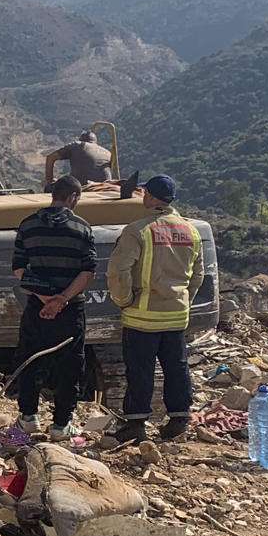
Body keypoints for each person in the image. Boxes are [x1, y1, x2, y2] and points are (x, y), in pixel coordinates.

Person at [105, 174, 203, 445]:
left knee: (140, 369)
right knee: (177, 367)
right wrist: (184, 300)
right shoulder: (190, 231)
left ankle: (136, 423)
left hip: (142, 316)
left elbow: (118, 270)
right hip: (176, 315)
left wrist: (124, 300)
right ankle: (179, 419)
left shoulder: (138, 230)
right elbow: (198, 274)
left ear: (148, 196)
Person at [11, 176, 97, 440]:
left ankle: (28, 418)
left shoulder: (28, 225)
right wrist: (63, 298)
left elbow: (19, 269)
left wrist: (46, 298)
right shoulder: (82, 227)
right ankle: (61, 425)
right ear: (72, 197)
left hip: (38, 306)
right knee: (71, 364)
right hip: (71, 309)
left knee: (31, 359)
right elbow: (88, 271)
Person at [45, 130, 112, 189]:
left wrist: (50, 181)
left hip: (83, 188)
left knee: (50, 188)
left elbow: (50, 157)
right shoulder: (108, 152)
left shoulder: (78, 145)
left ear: (81, 140)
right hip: (106, 188)